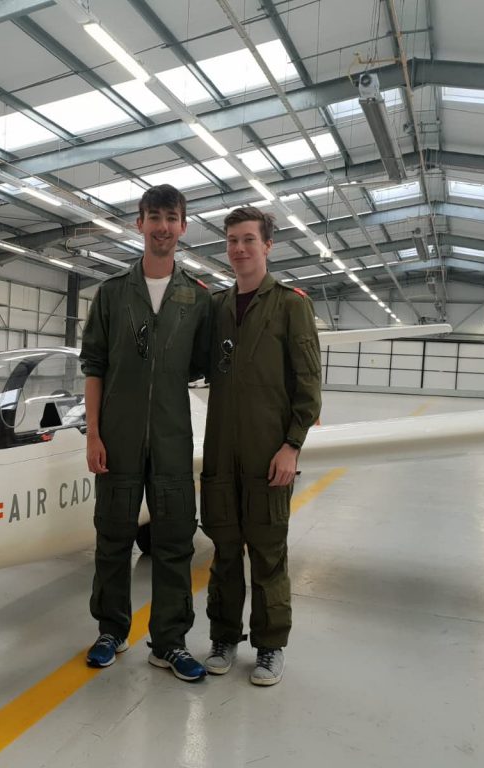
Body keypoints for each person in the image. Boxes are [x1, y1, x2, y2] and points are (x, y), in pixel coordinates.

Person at [80, 184, 212, 682]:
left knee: (175, 540)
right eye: (153, 216)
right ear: (139, 223)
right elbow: (93, 365)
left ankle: (170, 643)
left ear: (183, 226)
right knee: (112, 537)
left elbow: (207, 371)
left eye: (171, 217)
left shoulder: (197, 299)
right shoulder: (113, 294)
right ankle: (111, 631)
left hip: (174, 439)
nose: (162, 226)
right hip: (117, 436)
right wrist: (93, 435)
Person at [200, 206, 322, 686]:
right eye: (232, 240)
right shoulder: (219, 308)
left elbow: (309, 386)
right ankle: (224, 637)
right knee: (225, 552)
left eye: (248, 239)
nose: (239, 248)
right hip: (221, 456)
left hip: (270, 454)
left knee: (269, 554)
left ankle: (270, 647)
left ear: (268, 245)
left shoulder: (291, 305)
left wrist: (292, 446)